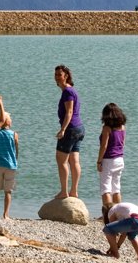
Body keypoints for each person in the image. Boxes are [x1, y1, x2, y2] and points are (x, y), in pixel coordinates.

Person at [53, 64, 84, 199]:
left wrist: (63, 129)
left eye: (60, 74)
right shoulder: (71, 90)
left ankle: (65, 192)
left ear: (66, 76)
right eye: (56, 74)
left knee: (61, 160)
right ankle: (74, 191)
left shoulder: (68, 92)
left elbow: (69, 112)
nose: (57, 77)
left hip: (71, 129)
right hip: (79, 128)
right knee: (74, 160)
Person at [96, 103, 127, 224]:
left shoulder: (106, 128)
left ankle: (108, 216)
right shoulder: (122, 127)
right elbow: (122, 143)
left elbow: (104, 146)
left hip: (108, 160)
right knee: (116, 188)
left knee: (106, 189)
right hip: (120, 159)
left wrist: (99, 161)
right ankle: (119, 214)